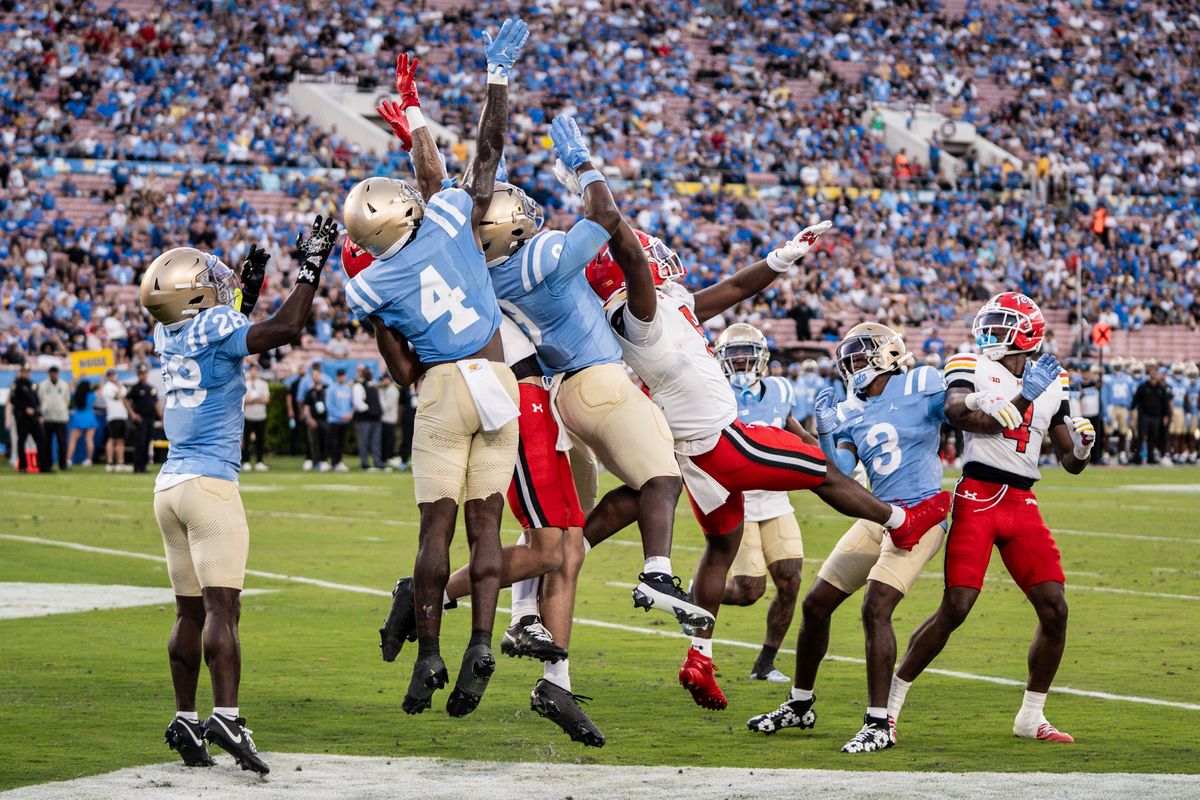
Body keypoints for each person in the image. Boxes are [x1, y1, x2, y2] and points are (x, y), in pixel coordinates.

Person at [583, 222, 949, 711]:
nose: (662, 263)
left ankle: (699, 656)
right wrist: (588, 181)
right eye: (651, 259)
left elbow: (735, 288)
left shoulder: (666, 305)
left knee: (720, 546)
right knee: (822, 469)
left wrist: (783, 256)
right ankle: (902, 522)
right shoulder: (640, 314)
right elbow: (629, 254)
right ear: (629, 274)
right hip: (723, 443)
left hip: (695, 453)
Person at [385, 64, 700, 630]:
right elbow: (606, 218)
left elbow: (445, 195)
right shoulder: (546, 255)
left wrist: (416, 127)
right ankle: (656, 569)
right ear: (512, 230)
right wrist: (583, 165)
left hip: (549, 397)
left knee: (558, 539)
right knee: (659, 478)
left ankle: (523, 620)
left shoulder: (476, 270)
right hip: (589, 382)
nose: (531, 212)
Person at [342, 19, 528, 717]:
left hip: (443, 386)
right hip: (498, 379)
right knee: (487, 532)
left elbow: (397, 373)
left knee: (433, 533)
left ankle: (428, 652)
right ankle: (482, 637)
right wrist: (494, 77)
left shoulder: (371, 283)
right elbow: (479, 156)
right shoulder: (450, 217)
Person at [142, 216, 337, 775]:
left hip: (169, 487)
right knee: (223, 610)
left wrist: (246, 289)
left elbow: (228, 333)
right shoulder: (211, 327)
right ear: (196, 294)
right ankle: (225, 715)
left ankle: (185, 716)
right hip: (210, 485)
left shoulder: (169, 330)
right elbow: (284, 329)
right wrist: (311, 266)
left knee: (188, 611)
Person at [889, 292, 1097, 745]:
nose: (990, 332)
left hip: (1021, 501)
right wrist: (1024, 395)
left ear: (1027, 333)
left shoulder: (1053, 378)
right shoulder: (970, 362)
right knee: (957, 607)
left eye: (1002, 324)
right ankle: (889, 706)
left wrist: (1082, 447)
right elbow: (961, 414)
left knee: (1055, 609)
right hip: (979, 496)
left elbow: (1068, 459)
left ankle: (1031, 715)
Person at [747, 324, 948, 754]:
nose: (851, 367)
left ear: (888, 355)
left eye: (860, 357)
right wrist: (821, 431)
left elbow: (957, 414)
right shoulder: (850, 407)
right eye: (848, 360)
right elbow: (836, 470)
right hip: (878, 515)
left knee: (876, 607)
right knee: (816, 605)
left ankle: (879, 723)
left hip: (921, 516)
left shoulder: (922, 382)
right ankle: (800, 705)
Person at [713, 323, 806, 684]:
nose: (740, 362)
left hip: (776, 500)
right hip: (737, 500)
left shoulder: (781, 390)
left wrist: (832, 454)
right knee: (749, 590)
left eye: (746, 355)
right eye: (734, 356)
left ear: (761, 358)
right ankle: (696, 590)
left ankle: (765, 664)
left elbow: (794, 432)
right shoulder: (716, 393)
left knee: (790, 582)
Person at [9, 362, 46, 472]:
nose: (26, 374)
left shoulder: (32, 385)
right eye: (24, 372)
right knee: (22, 441)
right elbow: (13, 400)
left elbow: (36, 401)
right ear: (21, 372)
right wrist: (25, 408)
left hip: (33, 418)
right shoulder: (16, 385)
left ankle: (43, 465)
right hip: (23, 418)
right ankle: (23, 466)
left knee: (41, 440)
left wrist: (38, 414)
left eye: (28, 372)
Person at [1132, 367, 1170, 465]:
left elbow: (1165, 403)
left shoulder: (1160, 388)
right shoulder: (1143, 386)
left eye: (1155, 373)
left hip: (1156, 416)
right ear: (1149, 374)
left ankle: (1151, 457)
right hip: (1144, 415)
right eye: (1152, 373)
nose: (1154, 374)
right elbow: (1136, 399)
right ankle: (1138, 456)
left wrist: (1166, 415)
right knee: (1141, 436)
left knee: (1153, 437)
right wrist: (1132, 410)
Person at [128, 363, 161, 473]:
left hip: (150, 419)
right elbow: (126, 400)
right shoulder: (135, 388)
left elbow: (157, 403)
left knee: (147, 443)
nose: (143, 375)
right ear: (138, 375)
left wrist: (161, 416)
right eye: (141, 373)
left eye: (145, 373)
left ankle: (143, 467)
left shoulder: (151, 388)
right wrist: (133, 414)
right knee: (140, 443)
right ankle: (137, 466)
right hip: (140, 419)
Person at [352, 364, 385, 470]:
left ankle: (377, 462)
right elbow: (358, 402)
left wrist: (379, 411)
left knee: (376, 442)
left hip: (376, 418)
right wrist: (369, 410)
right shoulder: (358, 386)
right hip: (365, 418)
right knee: (364, 441)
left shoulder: (375, 385)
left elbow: (380, 400)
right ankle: (364, 463)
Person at [40, 365, 71, 471]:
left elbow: (67, 400)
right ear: (49, 374)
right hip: (47, 417)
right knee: (47, 442)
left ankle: (63, 464)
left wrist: (61, 408)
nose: (54, 375)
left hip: (61, 418)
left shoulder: (64, 384)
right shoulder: (43, 385)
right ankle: (47, 464)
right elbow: (40, 399)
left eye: (55, 373)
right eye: (52, 373)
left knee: (62, 442)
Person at [100, 369, 130, 473]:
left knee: (121, 440)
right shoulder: (107, 387)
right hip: (113, 416)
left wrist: (119, 388)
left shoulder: (120, 386)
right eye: (111, 375)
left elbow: (125, 395)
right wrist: (119, 388)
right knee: (112, 439)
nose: (113, 377)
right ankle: (109, 462)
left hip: (122, 416)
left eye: (114, 375)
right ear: (108, 377)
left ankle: (120, 463)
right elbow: (117, 396)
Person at [242, 364, 269, 471]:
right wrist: (257, 399)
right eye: (252, 370)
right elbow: (245, 400)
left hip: (260, 416)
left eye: (256, 370)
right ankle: (246, 461)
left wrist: (252, 400)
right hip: (248, 416)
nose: (254, 372)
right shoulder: (245, 383)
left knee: (260, 440)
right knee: (246, 440)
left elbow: (266, 399)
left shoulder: (263, 384)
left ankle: (259, 461)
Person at [325, 368, 354, 473]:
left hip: (345, 421)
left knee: (341, 442)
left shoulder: (348, 389)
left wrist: (350, 413)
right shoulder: (331, 388)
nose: (342, 377)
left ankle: (338, 461)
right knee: (332, 442)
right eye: (340, 376)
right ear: (337, 377)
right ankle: (333, 462)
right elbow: (329, 405)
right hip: (334, 420)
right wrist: (340, 415)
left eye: (343, 375)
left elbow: (351, 404)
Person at [302, 371, 329, 472]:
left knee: (325, 440)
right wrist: (309, 419)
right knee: (313, 441)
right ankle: (315, 461)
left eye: (318, 375)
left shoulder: (327, 389)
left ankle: (324, 460)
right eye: (314, 376)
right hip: (314, 419)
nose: (316, 378)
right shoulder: (310, 392)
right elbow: (306, 407)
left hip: (325, 419)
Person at [67, 379, 98, 467]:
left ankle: (68, 459)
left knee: (72, 441)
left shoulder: (76, 394)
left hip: (78, 419)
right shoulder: (91, 395)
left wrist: (77, 376)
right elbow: (100, 389)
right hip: (90, 418)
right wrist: (102, 376)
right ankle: (89, 459)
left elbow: (70, 385)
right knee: (89, 439)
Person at [379, 372, 401, 467]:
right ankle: (385, 457)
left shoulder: (392, 390)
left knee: (389, 440)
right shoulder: (387, 389)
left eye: (385, 379)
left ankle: (389, 457)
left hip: (389, 419)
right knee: (385, 440)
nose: (383, 381)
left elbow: (386, 406)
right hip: (385, 419)